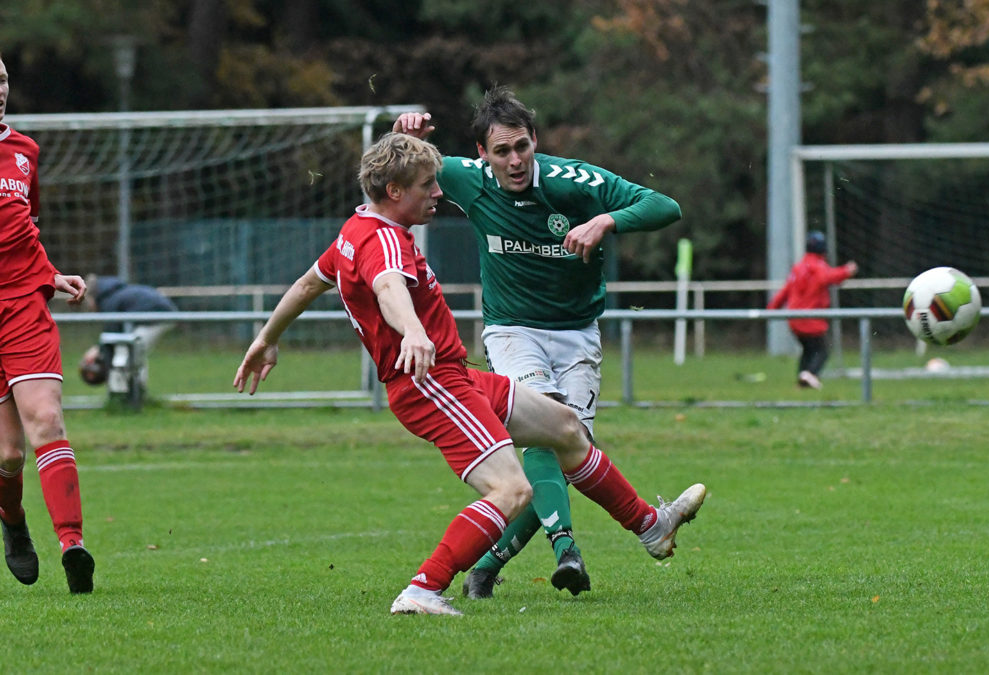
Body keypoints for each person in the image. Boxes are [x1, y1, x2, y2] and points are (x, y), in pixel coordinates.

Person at [233, 132, 706, 616]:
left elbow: (310, 281)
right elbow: (389, 286)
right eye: (426, 186)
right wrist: (414, 332)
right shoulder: (384, 241)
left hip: (453, 377)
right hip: (428, 384)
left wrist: (267, 338)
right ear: (394, 192)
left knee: (565, 427)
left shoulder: (354, 232)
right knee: (511, 490)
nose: (439, 193)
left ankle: (652, 526)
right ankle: (422, 589)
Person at [393, 87, 683, 600]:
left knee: (571, 451)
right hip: (512, 331)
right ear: (481, 154)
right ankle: (566, 549)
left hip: (577, 334)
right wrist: (404, 135)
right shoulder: (465, 179)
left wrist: (605, 220)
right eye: (501, 151)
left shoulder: (573, 182)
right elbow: (397, 180)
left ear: (535, 141)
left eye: (522, 147)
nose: (515, 160)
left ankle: (485, 566)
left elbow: (665, 205)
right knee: (547, 427)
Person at [0, 53, 95, 593]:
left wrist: (52, 274)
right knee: (7, 455)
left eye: (4, 80)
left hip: (23, 304)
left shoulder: (24, 151)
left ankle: (72, 543)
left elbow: (22, 228)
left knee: (47, 421)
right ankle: (13, 523)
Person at [766, 230, 857, 390]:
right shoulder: (818, 265)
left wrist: (771, 309)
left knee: (808, 350)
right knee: (822, 351)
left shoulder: (798, 267)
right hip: (810, 319)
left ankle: (802, 381)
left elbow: (785, 291)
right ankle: (810, 375)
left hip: (794, 319)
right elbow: (827, 277)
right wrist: (846, 271)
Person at [78, 274, 178, 388]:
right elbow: (114, 333)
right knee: (134, 352)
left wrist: (99, 350)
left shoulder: (110, 300)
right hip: (162, 314)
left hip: (158, 317)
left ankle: (122, 392)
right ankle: (136, 391)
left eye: (87, 301)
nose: (89, 307)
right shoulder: (115, 293)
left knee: (125, 351)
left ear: (93, 296)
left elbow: (111, 333)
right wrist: (99, 348)